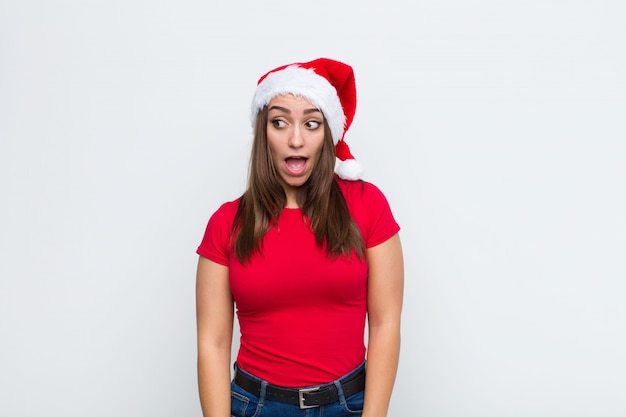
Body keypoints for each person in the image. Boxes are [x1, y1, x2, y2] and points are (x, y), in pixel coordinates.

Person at [196, 58, 404, 417]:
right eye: (280, 122)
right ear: (263, 131)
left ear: (328, 133)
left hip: (348, 404)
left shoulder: (368, 205)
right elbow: (212, 343)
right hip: (255, 406)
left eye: (311, 123)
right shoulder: (226, 222)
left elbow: (386, 324)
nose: (295, 139)